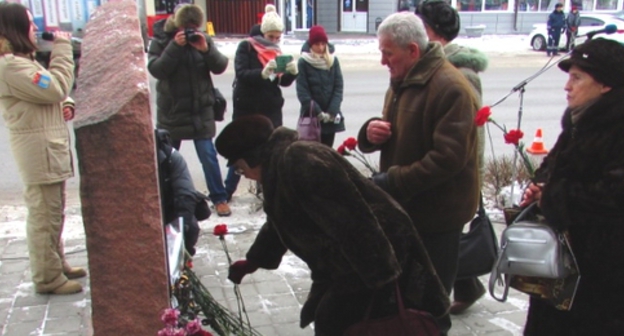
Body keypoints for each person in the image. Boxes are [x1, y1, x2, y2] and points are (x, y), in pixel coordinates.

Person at [215, 115, 449, 336]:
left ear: (254, 156)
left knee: (346, 322)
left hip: (377, 256)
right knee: (335, 322)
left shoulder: (299, 162)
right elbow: (279, 221)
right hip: (355, 261)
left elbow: (354, 221)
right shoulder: (279, 168)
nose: (242, 174)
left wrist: (381, 281)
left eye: (239, 167)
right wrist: (254, 261)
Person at [358, 12, 480, 334]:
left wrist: (392, 182)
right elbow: (400, 130)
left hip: (437, 218)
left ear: (413, 50)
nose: (383, 60)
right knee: (408, 298)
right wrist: (370, 134)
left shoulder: (451, 87)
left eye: (388, 53)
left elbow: (448, 159)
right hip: (409, 210)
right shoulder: (405, 78)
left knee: (432, 304)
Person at [520, 38, 624, 335]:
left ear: (605, 85)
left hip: (602, 277)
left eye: (577, 78)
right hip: (564, 268)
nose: (568, 86)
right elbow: (554, 166)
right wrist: (538, 186)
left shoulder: (617, 128)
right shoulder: (581, 121)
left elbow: (613, 196)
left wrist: (552, 196)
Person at [0, 2, 86, 294]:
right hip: (38, 152)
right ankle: (47, 278)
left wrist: (67, 104)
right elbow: (55, 87)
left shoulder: (24, 61)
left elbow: (51, 95)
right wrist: (62, 49)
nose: (35, 28)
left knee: (54, 212)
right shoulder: (11, 65)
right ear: (15, 27)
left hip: (47, 148)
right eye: (29, 22)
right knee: (43, 216)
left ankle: (56, 263)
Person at [415, 0, 489, 315]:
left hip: (459, 169)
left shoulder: (459, 73)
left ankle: (449, 296)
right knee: (449, 238)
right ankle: (468, 287)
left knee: (447, 237)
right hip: (451, 166)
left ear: (434, 33)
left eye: (421, 27)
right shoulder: (435, 66)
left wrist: (471, 173)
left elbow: (471, 133)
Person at [147, 4, 231, 217]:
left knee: (208, 156)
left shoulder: (202, 39)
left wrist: (206, 49)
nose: (190, 31)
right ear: (178, 25)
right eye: (186, 27)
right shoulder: (162, 39)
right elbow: (157, 70)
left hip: (200, 111)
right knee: (165, 158)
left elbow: (220, 66)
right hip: (173, 112)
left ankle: (219, 198)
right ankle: (162, 198)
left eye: (194, 27)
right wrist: (174, 46)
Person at [224, 4, 298, 201]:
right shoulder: (246, 47)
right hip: (248, 108)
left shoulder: (277, 51)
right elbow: (241, 74)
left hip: (270, 108)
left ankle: (267, 192)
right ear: (264, 32)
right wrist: (262, 73)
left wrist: (291, 73)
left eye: (277, 37)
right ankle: (227, 191)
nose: (274, 41)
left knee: (270, 151)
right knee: (241, 151)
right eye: (271, 37)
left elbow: (281, 81)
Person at [155, 129, 211, 256]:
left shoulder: (170, 157)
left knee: (190, 227)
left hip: (170, 207)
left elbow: (185, 192)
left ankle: (183, 260)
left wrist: (182, 227)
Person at [296, 25, 345, 147]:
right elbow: (303, 92)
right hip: (312, 117)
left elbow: (338, 87)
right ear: (311, 44)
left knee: (327, 153)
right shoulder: (303, 62)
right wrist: (318, 113)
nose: (320, 48)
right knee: (311, 155)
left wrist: (331, 112)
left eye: (323, 44)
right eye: (317, 44)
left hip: (330, 118)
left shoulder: (333, 61)